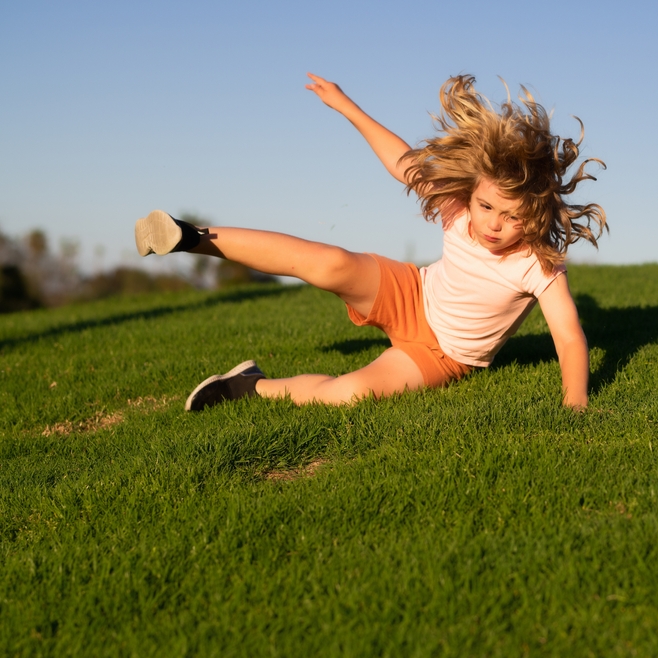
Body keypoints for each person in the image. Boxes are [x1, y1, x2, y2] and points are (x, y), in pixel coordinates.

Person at [134, 73, 607, 412]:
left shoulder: (537, 264)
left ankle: (251, 387)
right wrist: (346, 106)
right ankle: (189, 235)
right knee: (330, 262)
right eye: (487, 208)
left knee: (349, 396)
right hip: (412, 292)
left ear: (537, 214)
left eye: (512, 217)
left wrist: (575, 403)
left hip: (442, 355)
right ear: (474, 192)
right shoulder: (461, 207)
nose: (494, 225)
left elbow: (568, 337)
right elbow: (403, 160)